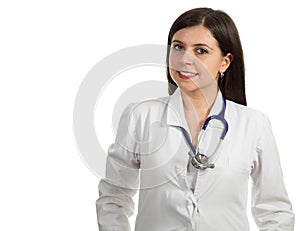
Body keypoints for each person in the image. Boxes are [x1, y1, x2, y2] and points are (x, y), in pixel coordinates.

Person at [96, 7, 295, 230]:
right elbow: (113, 198)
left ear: (225, 62)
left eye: (200, 51)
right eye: (178, 47)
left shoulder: (254, 125)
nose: (184, 60)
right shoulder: (140, 116)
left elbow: (275, 211)